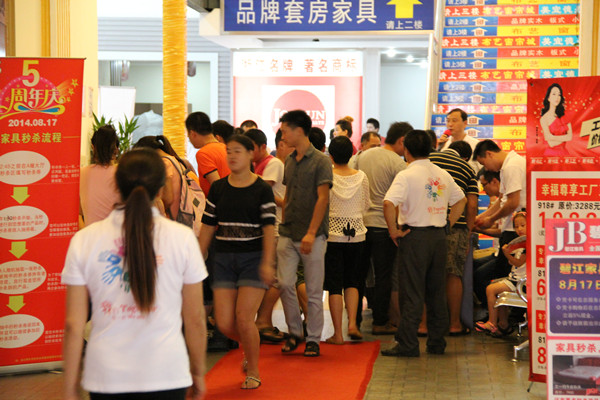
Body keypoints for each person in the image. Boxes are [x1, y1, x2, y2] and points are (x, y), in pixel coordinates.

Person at [62, 148, 207, 400]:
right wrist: (198, 372)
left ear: (117, 185)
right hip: (167, 372)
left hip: (106, 376)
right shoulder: (182, 238)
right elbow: (195, 318)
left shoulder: (85, 240)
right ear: (161, 188)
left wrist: (69, 386)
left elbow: (74, 324)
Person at [198, 134, 276, 389]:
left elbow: (269, 228)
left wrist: (268, 262)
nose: (231, 156)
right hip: (223, 259)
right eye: (229, 151)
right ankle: (249, 343)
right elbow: (207, 226)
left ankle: (253, 370)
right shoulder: (219, 188)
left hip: (253, 259)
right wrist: (197, 258)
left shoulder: (262, 189)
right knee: (223, 322)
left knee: (243, 317)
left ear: (251, 154)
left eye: (237, 151)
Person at [381, 130, 467, 357]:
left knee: (411, 292)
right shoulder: (441, 173)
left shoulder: (406, 175)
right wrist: (448, 223)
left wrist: (393, 230)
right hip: (439, 238)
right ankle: (437, 343)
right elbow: (461, 200)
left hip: (415, 237)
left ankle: (408, 344)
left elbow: (388, 203)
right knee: (436, 292)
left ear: (406, 150)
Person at [277, 110, 332, 357]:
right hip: (288, 232)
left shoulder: (321, 161)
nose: (282, 135)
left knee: (313, 290)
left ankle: (313, 339)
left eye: (285, 130)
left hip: (314, 235)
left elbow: (323, 198)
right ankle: (295, 332)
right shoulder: (289, 160)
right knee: (284, 283)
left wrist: (311, 232)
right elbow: (288, 194)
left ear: (299, 130)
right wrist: (284, 221)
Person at [355, 122, 412, 335]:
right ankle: (380, 322)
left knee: (358, 276)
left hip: (360, 225)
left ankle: (354, 322)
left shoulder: (361, 156)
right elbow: (402, 198)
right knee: (384, 277)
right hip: (383, 226)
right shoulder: (397, 163)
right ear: (402, 141)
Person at [426, 140, 479, 337]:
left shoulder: (428, 159)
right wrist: (469, 233)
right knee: (453, 274)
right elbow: (471, 205)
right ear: (465, 157)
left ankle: (422, 325)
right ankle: (455, 324)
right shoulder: (467, 168)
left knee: (424, 273)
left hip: (426, 224)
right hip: (456, 228)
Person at [323, 136, 370, 344]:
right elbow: (366, 204)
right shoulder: (362, 177)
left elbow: (322, 204)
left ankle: (338, 334)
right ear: (352, 154)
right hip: (357, 235)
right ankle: (352, 323)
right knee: (353, 281)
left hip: (332, 236)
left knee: (334, 285)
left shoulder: (327, 177)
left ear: (331, 156)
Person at [244, 128, 287, 343]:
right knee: (272, 277)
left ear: (263, 147)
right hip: (263, 227)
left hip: (275, 227)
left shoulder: (273, 164)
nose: (248, 153)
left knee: (278, 277)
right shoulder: (255, 165)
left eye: (250, 148)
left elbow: (262, 191)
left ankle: (263, 320)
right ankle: (263, 321)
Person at [473, 139, 526, 307]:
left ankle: (504, 317)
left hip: (516, 231)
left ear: (489, 154)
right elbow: (502, 200)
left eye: (484, 163)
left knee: (507, 276)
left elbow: (512, 202)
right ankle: (498, 315)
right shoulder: (506, 167)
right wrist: (482, 217)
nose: (487, 169)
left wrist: (490, 219)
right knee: (504, 275)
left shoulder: (512, 165)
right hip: (510, 229)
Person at [475, 212, 526, 337]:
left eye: (523, 225)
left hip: (521, 282)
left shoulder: (528, 244)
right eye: (516, 226)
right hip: (516, 278)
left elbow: (518, 263)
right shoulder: (521, 242)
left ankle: (492, 322)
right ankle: (503, 324)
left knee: (491, 289)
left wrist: (507, 254)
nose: (519, 229)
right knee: (498, 290)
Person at [79, 125, 121, 228]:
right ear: (116, 149)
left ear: (93, 147)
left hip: (90, 235)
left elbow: (78, 213)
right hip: (117, 235)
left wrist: (87, 233)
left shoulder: (81, 173)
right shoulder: (122, 174)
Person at [186, 111, 231, 196]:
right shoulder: (224, 147)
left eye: (188, 135)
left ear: (192, 133)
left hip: (219, 201)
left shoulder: (203, 153)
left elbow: (216, 186)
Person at [540, 83, 572, 156]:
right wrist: (565, 138)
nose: (557, 97)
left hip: (564, 153)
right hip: (550, 155)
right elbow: (551, 143)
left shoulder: (565, 115)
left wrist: (552, 137)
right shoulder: (544, 119)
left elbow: (570, 137)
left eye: (559, 94)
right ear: (548, 98)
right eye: (554, 94)